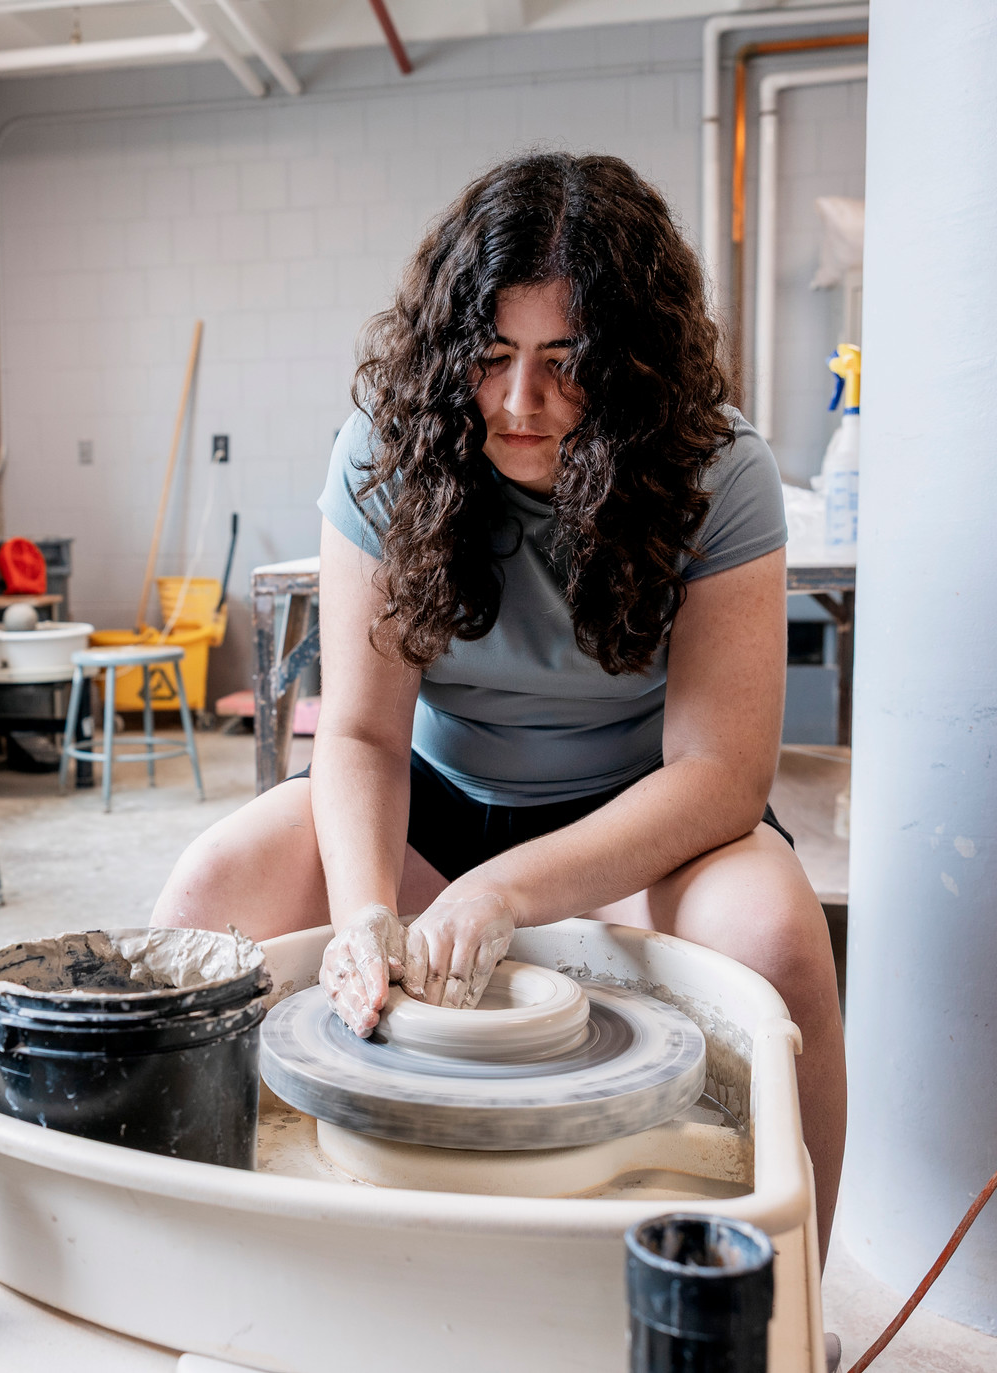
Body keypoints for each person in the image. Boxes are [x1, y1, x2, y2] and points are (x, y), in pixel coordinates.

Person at [152, 151, 844, 1254]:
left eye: (566, 364)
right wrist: (371, 905)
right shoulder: (390, 450)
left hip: (644, 825)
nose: (520, 404)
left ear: (630, 366)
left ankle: (782, 1306)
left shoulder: (720, 468)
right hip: (433, 796)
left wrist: (508, 888)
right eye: (490, 356)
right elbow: (366, 734)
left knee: (780, 942)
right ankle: (192, 1254)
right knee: (208, 893)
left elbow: (721, 773)